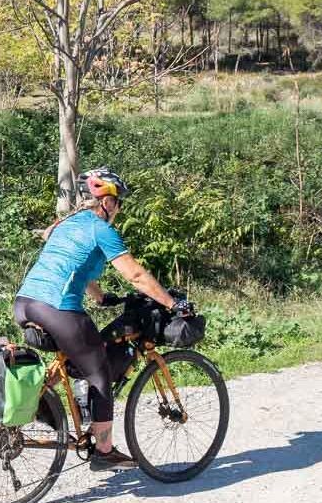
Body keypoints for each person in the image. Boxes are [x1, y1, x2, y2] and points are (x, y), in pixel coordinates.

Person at [13, 168, 194, 471]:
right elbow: (135, 274)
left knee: (76, 355)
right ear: (106, 202)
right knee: (99, 373)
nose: (119, 208)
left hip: (25, 303)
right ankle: (105, 451)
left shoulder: (65, 223)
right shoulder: (101, 229)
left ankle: (30, 409)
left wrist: (99, 297)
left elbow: (73, 263)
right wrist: (173, 303)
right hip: (56, 306)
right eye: (118, 201)